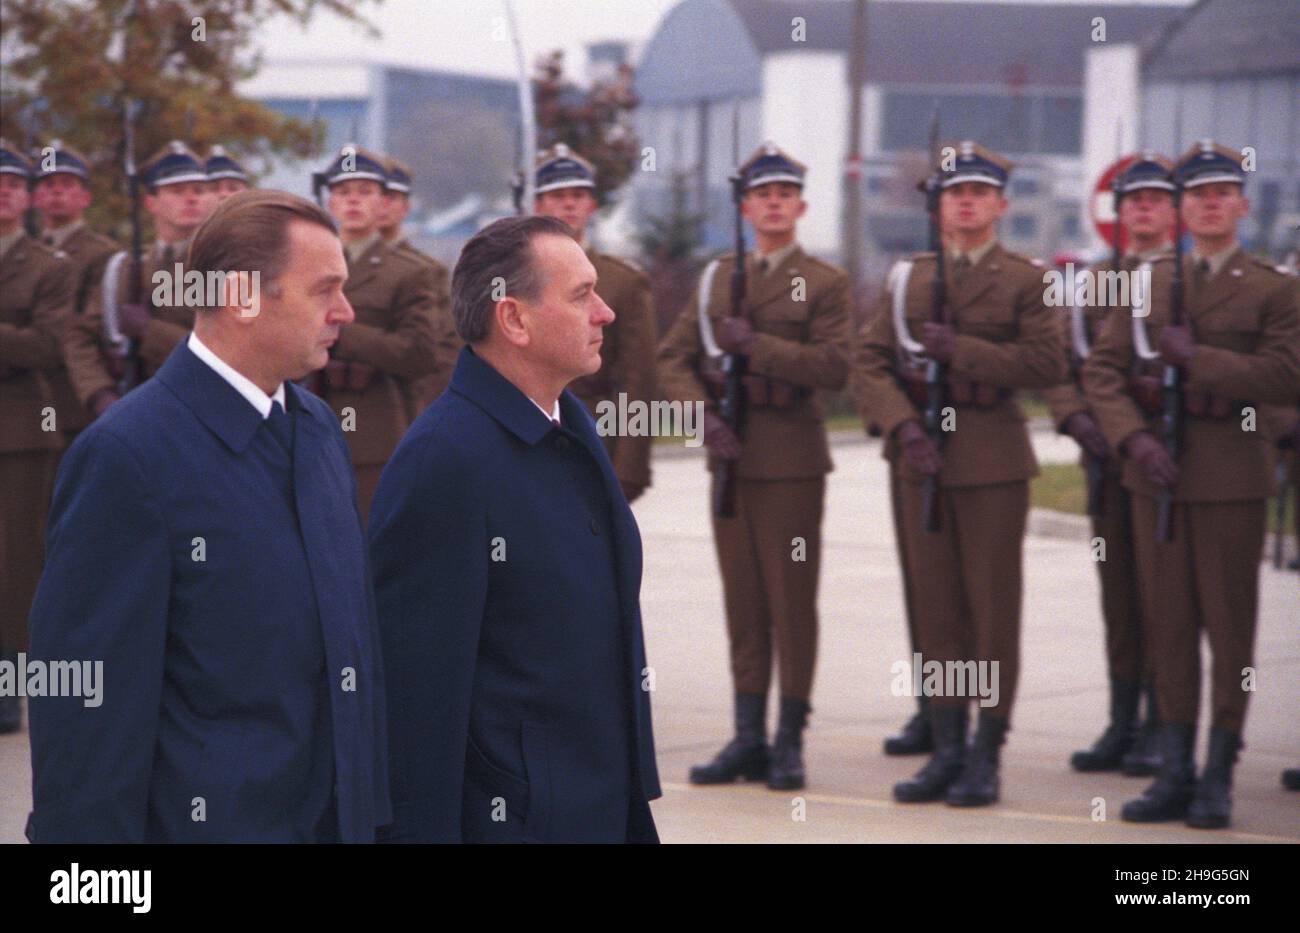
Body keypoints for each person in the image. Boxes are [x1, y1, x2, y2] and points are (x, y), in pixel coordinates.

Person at [26, 189, 390, 842]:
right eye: (325, 289)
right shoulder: (127, 457)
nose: (346, 311)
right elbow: (89, 717)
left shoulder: (317, 430)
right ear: (243, 297)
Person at [369, 215, 661, 843]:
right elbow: (415, 694)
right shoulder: (445, 459)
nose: (605, 312)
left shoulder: (570, 426)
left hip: (601, 803)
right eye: (582, 294)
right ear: (515, 320)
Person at [1083, 141, 1300, 829]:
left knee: (1230, 637)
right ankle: (1173, 770)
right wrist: (1133, 438)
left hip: (1231, 475)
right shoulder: (1145, 281)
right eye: (1197, 193)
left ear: (1239, 204)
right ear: (1181, 207)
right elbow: (1104, 371)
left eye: (1221, 192)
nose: (1209, 202)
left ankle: (1217, 774)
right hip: (1157, 477)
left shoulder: (1275, 287)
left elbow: (1284, 376)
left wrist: (1197, 359)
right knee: (1169, 627)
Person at [853, 141, 1066, 807]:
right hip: (921, 459)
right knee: (937, 608)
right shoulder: (905, 278)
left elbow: (1045, 364)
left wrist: (963, 350)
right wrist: (902, 425)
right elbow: (868, 362)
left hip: (990, 458)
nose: (965, 201)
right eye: (953, 192)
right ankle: (946, 746)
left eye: (978, 191)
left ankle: (986, 752)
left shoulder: (1027, 278)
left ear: (1001, 203)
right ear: (938, 206)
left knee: (991, 609)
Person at [659, 143, 851, 791]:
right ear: (745, 207)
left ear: (799, 205)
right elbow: (672, 358)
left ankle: (789, 737)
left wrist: (758, 347)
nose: (772, 203)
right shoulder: (717, 280)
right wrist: (701, 418)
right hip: (730, 457)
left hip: (790, 460)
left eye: (783, 194)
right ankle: (747, 736)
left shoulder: (825, 282)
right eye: (761, 194)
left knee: (790, 603)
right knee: (743, 604)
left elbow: (834, 365)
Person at [1044, 154, 1175, 777]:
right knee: (1118, 593)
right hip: (1105, 458)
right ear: (1118, 213)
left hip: (1169, 459)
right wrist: (1077, 421)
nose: (1143, 210)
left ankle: (1160, 723)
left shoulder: (1190, 276)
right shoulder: (1096, 283)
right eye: (1133, 201)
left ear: (1172, 210)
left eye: (1155, 199)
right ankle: (1122, 721)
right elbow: (1063, 366)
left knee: (1164, 596)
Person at [313, 144, 441, 522]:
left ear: (383, 203)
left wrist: (338, 331)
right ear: (330, 202)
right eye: (343, 193)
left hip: (375, 432)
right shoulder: (303, 266)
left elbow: (420, 353)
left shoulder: (406, 272)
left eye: (365, 192)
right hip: (309, 421)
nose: (353, 202)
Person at [533, 144, 657, 502]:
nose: (569, 204)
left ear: (592, 206)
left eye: (578, 195)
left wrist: (630, 467)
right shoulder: (515, 278)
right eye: (557, 195)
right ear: (539, 205)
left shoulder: (623, 281)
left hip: (594, 441)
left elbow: (639, 379)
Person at [0, 140, 73, 735]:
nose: (3, 192)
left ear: (27, 197)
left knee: (15, 561)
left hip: (20, 429)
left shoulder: (49, 267)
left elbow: (45, 346)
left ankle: (10, 685)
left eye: (13, 184)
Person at [63, 140, 209, 417]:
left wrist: (149, 331)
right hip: (137, 408)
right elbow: (80, 336)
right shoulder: (123, 267)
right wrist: (99, 393)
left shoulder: (222, 265)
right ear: (150, 202)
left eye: (199, 191)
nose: (192, 199)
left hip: (202, 407)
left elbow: (227, 348)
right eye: (177, 191)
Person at [30, 140, 120, 450]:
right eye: (49, 185)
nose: (57, 192)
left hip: (74, 395)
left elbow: (84, 327)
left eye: (67, 185)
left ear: (85, 197)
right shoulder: (26, 252)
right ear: (36, 196)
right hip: (29, 394)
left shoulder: (102, 254)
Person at [378, 155, 457, 417]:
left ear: (406, 207)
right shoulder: (334, 265)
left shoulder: (428, 271)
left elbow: (443, 351)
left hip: (404, 405)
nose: (382, 205)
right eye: (378, 194)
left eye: (392, 198)